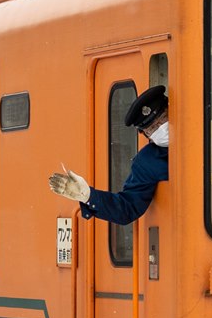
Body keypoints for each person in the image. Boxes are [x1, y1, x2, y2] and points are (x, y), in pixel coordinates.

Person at [48, 85, 169, 225]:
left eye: (164, 118)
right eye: (152, 128)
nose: (161, 128)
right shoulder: (147, 162)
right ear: (147, 135)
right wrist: (88, 195)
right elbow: (127, 208)